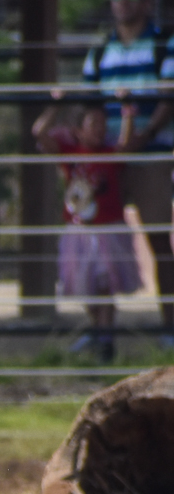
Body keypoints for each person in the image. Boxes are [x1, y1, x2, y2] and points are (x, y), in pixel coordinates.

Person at [82, 0, 174, 343]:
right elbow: (89, 101)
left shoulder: (165, 44)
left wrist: (143, 136)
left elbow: (168, 98)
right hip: (107, 161)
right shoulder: (100, 49)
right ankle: (101, 330)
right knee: (95, 241)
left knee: (159, 240)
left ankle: (169, 327)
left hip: (150, 156)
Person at [36, 94, 139, 361]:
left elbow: (126, 146)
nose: (99, 129)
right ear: (78, 129)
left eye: (103, 124)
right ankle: (98, 331)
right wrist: (56, 105)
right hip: (79, 231)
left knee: (104, 285)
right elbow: (39, 132)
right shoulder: (70, 155)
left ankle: (105, 341)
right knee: (86, 286)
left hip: (108, 229)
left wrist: (128, 113)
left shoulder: (109, 154)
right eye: (93, 123)